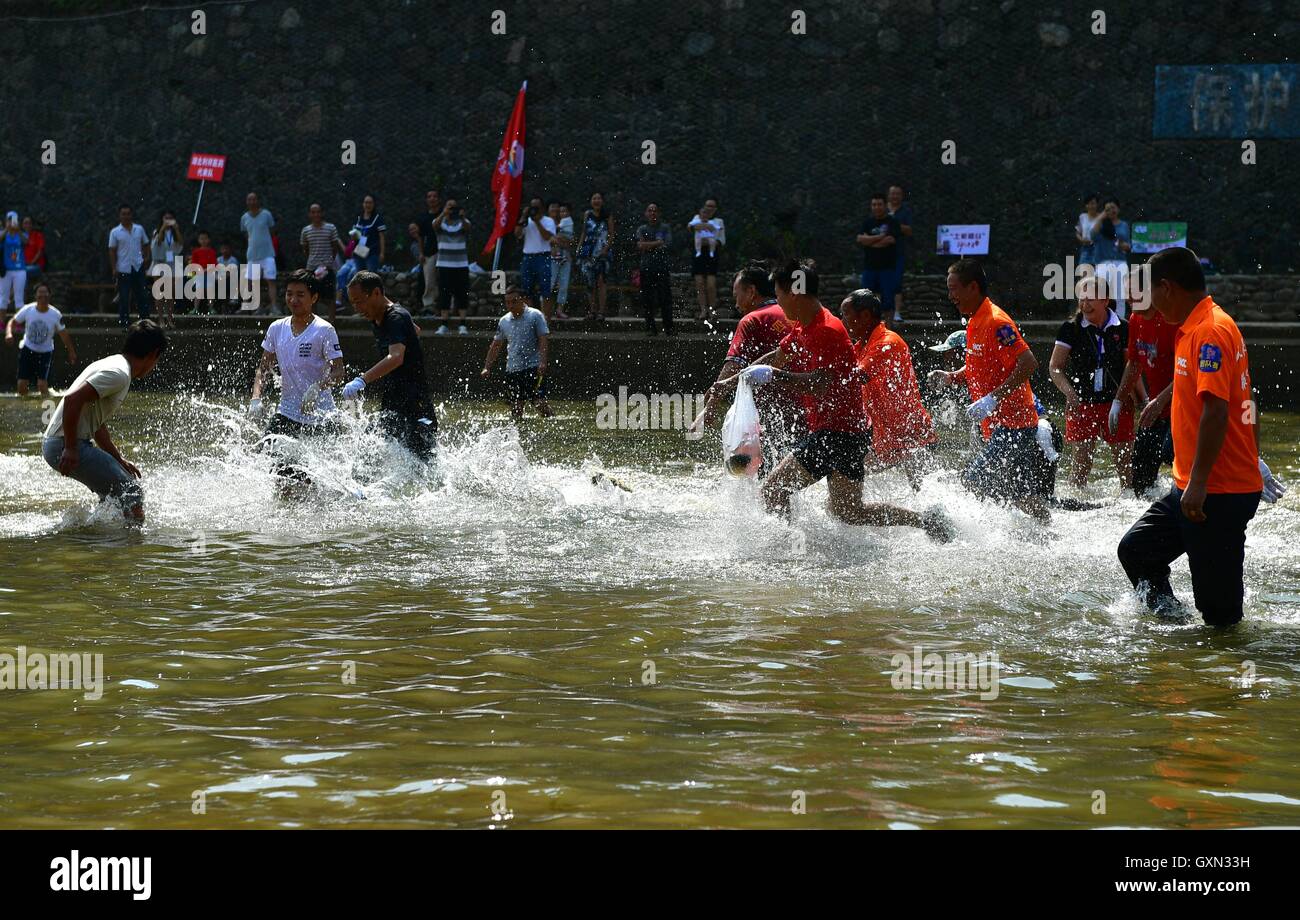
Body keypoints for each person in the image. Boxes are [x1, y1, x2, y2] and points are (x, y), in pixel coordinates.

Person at [710, 259, 954, 543]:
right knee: (849, 511)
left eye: (779, 294)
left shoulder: (826, 329)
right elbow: (779, 355)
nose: (777, 302)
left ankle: (784, 551)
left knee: (774, 491)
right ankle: (927, 522)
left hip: (836, 432)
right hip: (851, 432)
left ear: (796, 292)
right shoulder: (805, 326)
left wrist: (774, 376)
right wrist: (735, 379)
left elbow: (820, 384)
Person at [1118, 247, 1286, 627]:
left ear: (1166, 288)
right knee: (1138, 550)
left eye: (1149, 292)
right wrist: (1251, 454)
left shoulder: (1209, 331)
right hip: (1194, 486)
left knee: (1220, 616)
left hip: (1216, 492)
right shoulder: (1195, 327)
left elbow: (1216, 410)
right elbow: (1249, 398)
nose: (1149, 303)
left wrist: (1203, 481)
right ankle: (1173, 623)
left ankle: (1222, 673)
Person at [928, 258, 1051, 522]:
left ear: (973, 287)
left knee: (973, 480)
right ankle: (1047, 530)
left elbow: (1028, 363)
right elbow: (978, 365)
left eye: (954, 289)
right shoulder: (973, 321)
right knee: (1019, 494)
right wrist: (952, 377)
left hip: (1015, 425)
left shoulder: (996, 322)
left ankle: (978, 533)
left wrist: (992, 399)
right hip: (997, 425)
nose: (951, 297)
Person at [40, 320, 168, 523]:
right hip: (63, 444)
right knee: (132, 492)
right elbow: (73, 400)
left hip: (60, 443)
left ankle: (95, 537)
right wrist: (71, 448)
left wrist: (117, 458)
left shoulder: (115, 365)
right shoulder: (118, 374)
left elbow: (96, 421)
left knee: (113, 494)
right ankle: (133, 546)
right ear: (153, 354)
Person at [696, 262, 801, 472]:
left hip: (772, 413)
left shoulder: (752, 319)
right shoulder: (797, 315)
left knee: (766, 478)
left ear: (751, 291)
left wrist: (711, 406)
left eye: (737, 295)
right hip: (806, 409)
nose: (736, 304)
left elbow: (734, 364)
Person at [249, 269, 346, 492]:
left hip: (319, 415)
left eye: (300, 294)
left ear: (314, 298)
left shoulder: (324, 330)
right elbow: (263, 368)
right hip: (287, 411)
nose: (293, 300)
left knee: (318, 478)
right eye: (289, 294)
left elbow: (339, 372)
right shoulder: (276, 328)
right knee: (273, 465)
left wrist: (317, 388)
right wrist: (256, 399)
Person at [840, 287, 937, 490]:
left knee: (927, 495)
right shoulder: (862, 346)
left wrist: (815, 381)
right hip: (888, 437)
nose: (843, 321)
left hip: (913, 437)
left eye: (846, 314)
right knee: (845, 477)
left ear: (865, 316)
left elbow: (856, 376)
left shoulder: (887, 342)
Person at [1047, 281, 1135, 490]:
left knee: (1125, 464)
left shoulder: (1123, 328)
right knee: (1081, 464)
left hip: (1116, 402)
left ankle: (1129, 503)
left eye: (1090, 299)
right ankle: (1075, 506)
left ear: (1105, 301)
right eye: (1081, 299)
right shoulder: (1071, 328)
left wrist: (1130, 398)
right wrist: (1070, 394)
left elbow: (1131, 367)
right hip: (1082, 403)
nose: (1084, 304)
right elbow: (1055, 366)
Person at [342, 271, 437, 462]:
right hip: (393, 400)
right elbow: (416, 330)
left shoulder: (396, 317)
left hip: (415, 403)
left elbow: (395, 358)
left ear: (376, 293)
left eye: (360, 301)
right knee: (371, 448)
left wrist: (362, 380)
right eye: (353, 303)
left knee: (423, 463)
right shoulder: (379, 318)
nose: (357, 308)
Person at [1117, 277, 1179, 497]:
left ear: (1153, 292)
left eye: (1135, 295)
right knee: (1140, 478)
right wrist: (1118, 400)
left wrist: (1161, 400)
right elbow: (1134, 363)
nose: (1130, 300)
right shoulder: (1135, 319)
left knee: (1169, 452)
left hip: (1181, 408)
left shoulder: (1174, 322)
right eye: (1128, 295)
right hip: (1154, 408)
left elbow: (1188, 369)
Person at [481, 285, 553, 420]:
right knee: (516, 409)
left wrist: (543, 362)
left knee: (539, 404)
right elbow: (496, 345)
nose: (510, 305)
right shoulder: (504, 321)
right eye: (507, 302)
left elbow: (543, 339)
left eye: (514, 301)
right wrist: (487, 367)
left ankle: (553, 424)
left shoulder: (535, 315)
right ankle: (519, 436)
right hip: (513, 369)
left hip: (533, 366)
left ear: (522, 300)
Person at [6, 281, 77, 396]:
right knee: (21, 385)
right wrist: (9, 333)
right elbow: (12, 321)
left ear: (49, 295)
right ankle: (25, 407)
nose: (42, 296)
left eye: (45, 293)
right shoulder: (28, 309)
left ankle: (45, 405)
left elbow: (64, 334)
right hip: (27, 349)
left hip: (45, 352)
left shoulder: (55, 314)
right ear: (36, 296)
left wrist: (71, 352)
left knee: (42, 385)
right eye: (40, 292)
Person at [856, 193, 901, 324]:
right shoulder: (867, 222)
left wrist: (869, 241)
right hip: (869, 268)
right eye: (874, 204)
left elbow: (890, 240)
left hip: (887, 268)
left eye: (879, 204)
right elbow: (860, 239)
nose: (877, 207)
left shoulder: (892, 222)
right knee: (865, 301)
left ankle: (888, 330)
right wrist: (880, 237)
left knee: (888, 301)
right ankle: (869, 330)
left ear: (885, 205)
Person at [432, 196, 472, 335]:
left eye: (453, 207)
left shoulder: (463, 222)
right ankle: (444, 324)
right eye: (449, 206)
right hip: (444, 264)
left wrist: (461, 217)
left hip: (461, 264)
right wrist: (444, 213)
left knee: (461, 294)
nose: (451, 209)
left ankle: (462, 324)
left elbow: (468, 228)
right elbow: (434, 226)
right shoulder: (440, 221)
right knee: (444, 294)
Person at [635, 203, 675, 336]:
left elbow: (667, 245)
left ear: (659, 213)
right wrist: (657, 243)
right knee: (647, 299)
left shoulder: (665, 228)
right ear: (646, 213)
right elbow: (640, 246)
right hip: (646, 268)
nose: (652, 213)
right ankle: (650, 327)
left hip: (662, 268)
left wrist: (648, 245)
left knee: (665, 299)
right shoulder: (642, 229)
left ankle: (668, 327)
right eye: (650, 210)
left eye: (655, 211)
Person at [108, 204, 150, 326]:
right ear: (119, 216)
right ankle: (124, 322)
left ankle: (145, 322)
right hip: (123, 268)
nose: (126, 216)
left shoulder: (139, 229)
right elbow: (112, 250)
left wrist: (146, 257)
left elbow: (146, 243)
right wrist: (114, 267)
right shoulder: (115, 232)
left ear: (132, 215)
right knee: (124, 298)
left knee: (142, 296)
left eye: (128, 213)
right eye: (123, 214)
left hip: (138, 267)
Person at [1090, 197, 1131, 318]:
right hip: (1103, 263)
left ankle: (1120, 322)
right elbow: (1092, 235)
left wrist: (1123, 246)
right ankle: (1101, 320)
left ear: (1118, 209)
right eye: (1107, 209)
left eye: (1113, 207)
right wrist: (1101, 217)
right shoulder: (1100, 224)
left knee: (1120, 295)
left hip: (1120, 262)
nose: (1111, 211)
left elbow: (1129, 245)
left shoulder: (1123, 225)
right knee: (1101, 293)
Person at [515, 196, 556, 317]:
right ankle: (530, 322)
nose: (535, 210)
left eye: (537, 207)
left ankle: (546, 324)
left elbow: (547, 237)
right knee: (526, 291)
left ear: (542, 208)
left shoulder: (548, 221)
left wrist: (537, 221)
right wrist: (523, 216)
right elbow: (517, 234)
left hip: (543, 257)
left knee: (546, 291)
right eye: (533, 207)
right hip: (528, 257)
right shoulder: (526, 221)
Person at [576, 192, 614, 320]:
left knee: (601, 281)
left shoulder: (607, 215)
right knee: (589, 282)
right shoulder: (588, 214)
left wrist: (606, 249)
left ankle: (601, 312)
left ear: (602, 201)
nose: (596, 200)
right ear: (591, 201)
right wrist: (579, 247)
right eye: (594, 198)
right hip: (588, 251)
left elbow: (612, 234)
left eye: (599, 198)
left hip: (602, 251)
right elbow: (584, 232)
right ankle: (592, 310)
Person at [240, 192, 278, 315]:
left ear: (258, 201)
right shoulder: (244, 217)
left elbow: (272, 230)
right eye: (249, 199)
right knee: (253, 282)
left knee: (271, 280)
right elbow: (246, 234)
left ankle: (274, 307)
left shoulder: (266, 214)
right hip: (252, 255)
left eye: (254, 199)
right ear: (246, 202)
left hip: (267, 254)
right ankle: (256, 307)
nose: (252, 202)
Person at [688, 197, 723, 321]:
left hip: (711, 254)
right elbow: (692, 228)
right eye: (707, 206)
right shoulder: (697, 218)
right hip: (699, 254)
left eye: (712, 206)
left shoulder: (718, 221)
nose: (709, 209)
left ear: (716, 209)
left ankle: (712, 310)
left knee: (711, 284)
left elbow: (720, 240)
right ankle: (703, 310)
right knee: (699, 283)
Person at [149, 210, 183, 327]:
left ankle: (169, 318)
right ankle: (160, 319)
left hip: (172, 263)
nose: (168, 220)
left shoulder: (174, 232)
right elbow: (157, 242)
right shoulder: (156, 231)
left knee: (170, 292)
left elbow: (180, 244)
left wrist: (176, 228)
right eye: (166, 218)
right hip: (159, 262)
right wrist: (163, 228)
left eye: (170, 218)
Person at [886, 185, 913, 324]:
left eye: (898, 194)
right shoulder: (882, 209)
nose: (895, 196)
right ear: (888, 195)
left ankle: (896, 312)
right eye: (892, 193)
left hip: (898, 252)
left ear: (901, 196)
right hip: (880, 253)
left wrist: (894, 223)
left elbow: (909, 230)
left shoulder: (905, 211)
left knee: (897, 282)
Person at [414, 189, 442, 316]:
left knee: (443, 281)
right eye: (429, 196)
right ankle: (429, 306)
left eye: (435, 196)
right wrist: (421, 253)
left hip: (444, 253)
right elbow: (420, 237)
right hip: (429, 252)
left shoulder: (444, 215)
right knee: (429, 280)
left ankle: (443, 305)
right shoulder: (423, 218)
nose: (432, 199)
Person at [0, 211, 28, 323]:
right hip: (6, 270)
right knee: (3, 297)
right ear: (6, 221)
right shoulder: (3, 234)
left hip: (20, 269)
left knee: (19, 298)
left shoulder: (22, 234)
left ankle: (18, 323)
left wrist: (18, 231)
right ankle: (1, 322)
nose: (12, 222)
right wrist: (7, 229)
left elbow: (26, 242)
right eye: (10, 220)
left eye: (14, 220)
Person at [550, 201, 574, 320]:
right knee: (550, 283)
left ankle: (559, 310)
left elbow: (568, 242)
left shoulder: (566, 223)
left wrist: (558, 240)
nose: (562, 213)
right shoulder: (550, 224)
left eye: (564, 211)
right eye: (561, 211)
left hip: (565, 256)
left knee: (564, 285)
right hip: (554, 257)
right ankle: (547, 310)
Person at [351, 194, 387, 273]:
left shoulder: (378, 219)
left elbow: (382, 237)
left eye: (370, 203)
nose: (368, 205)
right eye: (366, 202)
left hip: (372, 252)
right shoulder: (358, 218)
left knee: (370, 277)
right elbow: (354, 237)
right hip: (359, 252)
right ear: (363, 204)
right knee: (360, 277)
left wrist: (382, 253)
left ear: (374, 204)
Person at [189, 230, 218, 315]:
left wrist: (206, 270)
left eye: (205, 238)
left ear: (209, 240)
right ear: (198, 240)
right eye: (201, 239)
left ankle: (211, 308)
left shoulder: (212, 252)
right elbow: (194, 264)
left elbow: (214, 264)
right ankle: (195, 308)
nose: (204, 240)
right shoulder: (196, 252)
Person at [1075, 193, 1100, 267]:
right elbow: (1078, 232)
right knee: (1084, 272)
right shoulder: (1082, 217)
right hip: (1085, 248)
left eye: (1093, 203)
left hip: (1098, 249)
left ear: (1097, 204)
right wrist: (1082, 240)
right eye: (1088, 204)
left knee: (1098, 274)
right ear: (1086, 205)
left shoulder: (1101, 218)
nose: (1091, 206)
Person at [216, 242, 240, 313]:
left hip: (230, 281)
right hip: (219, 280)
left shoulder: (233, 260)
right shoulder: (218, 259)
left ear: (230, 250)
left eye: (226, 249)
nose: (225, 251)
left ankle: (233, 300)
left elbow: (231, 272)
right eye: (223, 249)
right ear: (220, 250)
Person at [21, 216, 46, 286]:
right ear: (22, 225)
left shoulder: (38, 235)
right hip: (24, 265)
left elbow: (40, 252)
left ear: (32, 225)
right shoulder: (21, 237)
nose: (27, 225)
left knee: (22, 273)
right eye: (25, 223)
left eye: (29, 223)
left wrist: (32, 262)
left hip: (37, 265)